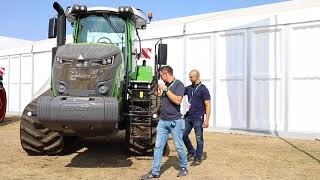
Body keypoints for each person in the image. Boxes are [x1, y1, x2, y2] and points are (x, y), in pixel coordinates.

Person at [141, 65, 188, 179]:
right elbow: (163, 99)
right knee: (158, 147)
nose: (161, 78)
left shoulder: (179, 84)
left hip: (175, 121)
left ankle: (183, 167)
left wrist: (166, 90)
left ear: (166, 73)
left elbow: (178, 101)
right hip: (163, 121)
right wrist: (159, 93)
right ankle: (155, 172)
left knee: (179, 146)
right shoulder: (165, 85)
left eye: (161, 75)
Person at [183, 69, 211, 166]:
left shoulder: (203, 89)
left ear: (197, 77)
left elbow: (208, 105)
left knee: (199, 138)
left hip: (198, 118)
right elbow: (178, 92)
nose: (189, 78)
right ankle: (191, 151)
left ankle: (198, 158)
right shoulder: (189, 88)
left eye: (191, 77)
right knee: (183, 135)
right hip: (188, 117)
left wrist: (206, 119)